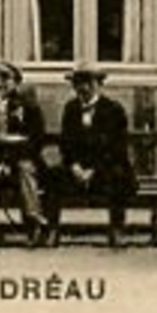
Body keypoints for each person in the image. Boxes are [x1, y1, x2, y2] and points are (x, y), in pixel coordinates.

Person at [44, 65, 137, 248]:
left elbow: (117, 149)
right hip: (77, 170)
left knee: (118, 176)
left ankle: (117, 228)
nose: (83, 88)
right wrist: (74, 166)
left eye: (88, 83)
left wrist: (94, 170)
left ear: (99, 85)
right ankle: (53, 229)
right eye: (78, 83)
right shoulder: (71, 109)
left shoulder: (113, 110)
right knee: (53, 176)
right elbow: (66, 144)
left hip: (105, 169)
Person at [0, 60, 47, 247]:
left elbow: (35, 141)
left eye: (5, 78)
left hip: (22, 161)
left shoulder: (28, 109)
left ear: (16, 82)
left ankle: (34, 222)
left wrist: (8, 162)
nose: (0, 83)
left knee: (25, 169)